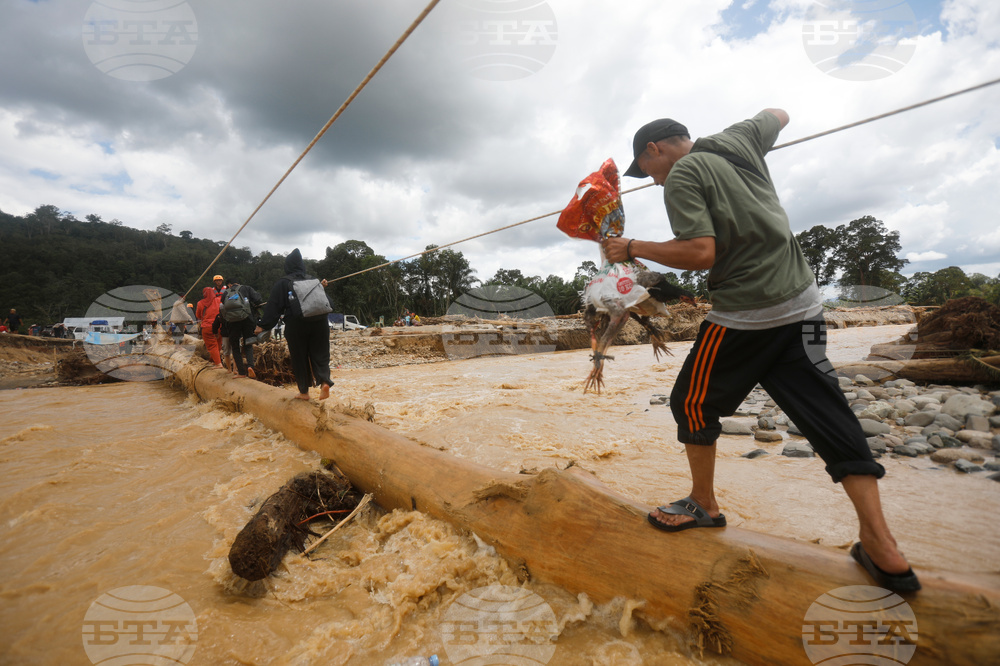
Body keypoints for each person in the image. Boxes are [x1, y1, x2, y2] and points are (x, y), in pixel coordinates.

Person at [602, 109, 919, 593]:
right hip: (805, 306)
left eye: (649, 171)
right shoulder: (740, 138)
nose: (654, 179)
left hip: (748, 313)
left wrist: (631, 248)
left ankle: (703, 504)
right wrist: (758, 135)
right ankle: (882, 545)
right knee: (828, 415)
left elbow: (700, 253)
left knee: (690, 401)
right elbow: (779, 114)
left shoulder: (683, 174)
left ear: (655, 149)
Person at [255, 249, 333, 401]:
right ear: (302, 265)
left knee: (299, 357)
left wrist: (263, 325)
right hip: (320, 322)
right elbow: (328, 302)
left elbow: (273, 308)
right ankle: (325, 382)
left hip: (297, 324)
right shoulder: (313, 280)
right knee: (321, 354)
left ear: (287, 266)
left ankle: (304, 392)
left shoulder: (283, 283)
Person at [218, 279, 264, 378]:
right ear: (238, 283)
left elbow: (222, 307)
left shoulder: (226, 293)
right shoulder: (247, 288)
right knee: (248, 343)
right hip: (247, 319)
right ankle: (250, 366)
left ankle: (241, 373)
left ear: (229, 285)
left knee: (235, 346)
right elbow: (258, 299)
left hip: (232, 322)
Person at [195, 287, 223, 367]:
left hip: (207, 326)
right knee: (218, 344)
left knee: (212, 345)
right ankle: (213, 360)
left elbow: (198, 316)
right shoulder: (219, 300)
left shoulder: (200, 303)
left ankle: (218, 363)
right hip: (219, 325)